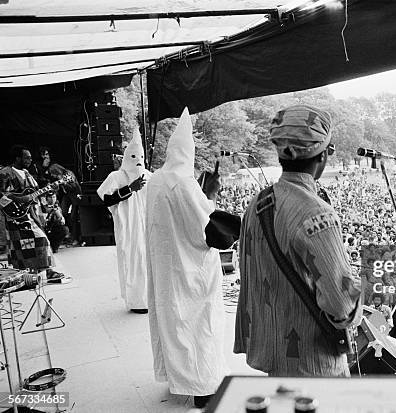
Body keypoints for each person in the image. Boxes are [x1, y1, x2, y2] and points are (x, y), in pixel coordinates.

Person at [234, 104, 362, 377]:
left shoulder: (257, 203)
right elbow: (340, 307)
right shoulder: (317, 214)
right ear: (323, 156)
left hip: (274, 353)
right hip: (313, 364)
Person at [145, 108, 228, 408]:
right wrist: (213, 194)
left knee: (172, 324)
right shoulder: (183, 182)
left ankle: (178, 378)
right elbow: (211, 230)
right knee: (198, 328)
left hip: (166, 268)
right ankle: (203, 388)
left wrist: (202, 193)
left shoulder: (155, 180)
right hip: (190, 272)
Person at [97, 131, 151, 313]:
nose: (138, 161)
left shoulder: (149, 176)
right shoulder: (116, 177)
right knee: (132, 261)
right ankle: (136, 301)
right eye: (134, 156)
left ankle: (150, 300)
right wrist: (130, 189)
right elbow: (106, 199)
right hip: (128, 229)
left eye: (141, 157)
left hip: (147, 227)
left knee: (147, 261)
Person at [0, 145, 63, 280]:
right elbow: (2, 195)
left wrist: (50, 189)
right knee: (25, 245)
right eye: (26, 157)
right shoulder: (5, 172)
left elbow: (35, 193)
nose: (30, 160)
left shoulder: (27, 173)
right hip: (14, 216)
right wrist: (19, 198)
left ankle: (43, 272)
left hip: (30, 214)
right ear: (18, 158)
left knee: (35, 242)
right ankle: (33, 273)